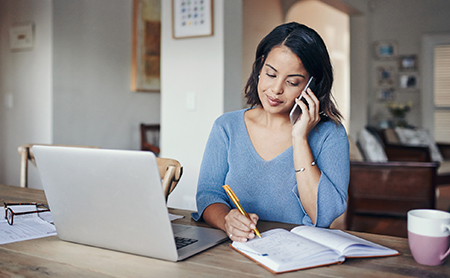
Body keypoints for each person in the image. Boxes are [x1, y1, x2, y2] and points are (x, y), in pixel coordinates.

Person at [192, 22, 349, 243]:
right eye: (271, 74)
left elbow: (321, 216)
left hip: (301, 255)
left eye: (292, 82)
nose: (276, 89)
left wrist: (300, 138)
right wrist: (227, 220)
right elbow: (208, 195)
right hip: (236, 251)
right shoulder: (226, 126)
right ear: (259, 68)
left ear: (311, 86)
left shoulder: (330, 135)